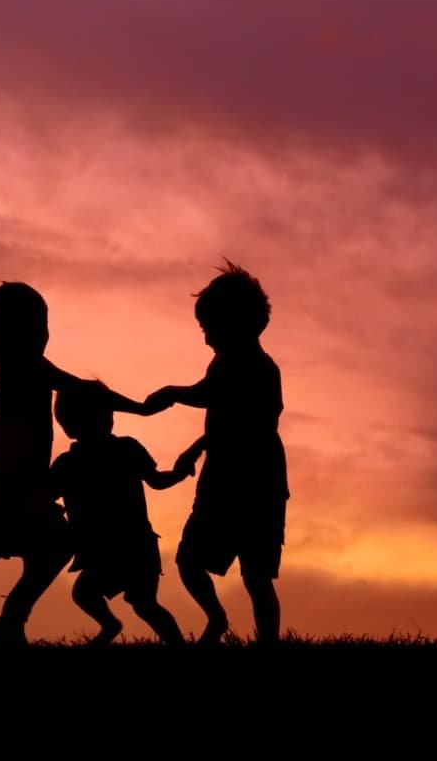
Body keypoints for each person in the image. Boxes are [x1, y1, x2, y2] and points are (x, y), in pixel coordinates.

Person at [0, 282, 156, 645]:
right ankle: (12, 620)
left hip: (18, 482)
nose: (46, 333)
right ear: (28, 330)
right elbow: (82, 389)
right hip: (20, 484)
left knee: (45, 554)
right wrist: (140, 408)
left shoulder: (15, 368)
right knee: (55, 549)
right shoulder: (28, 365)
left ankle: (12, 620)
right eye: (42, 325)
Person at [146, 262, 290, 646]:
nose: (207, 337)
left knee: (257, 575)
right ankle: (217, 617)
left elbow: (216, 401)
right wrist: (194, 450)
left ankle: (269, 642)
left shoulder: (258, 369)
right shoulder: (224, 364)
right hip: (221, 479)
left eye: (210, 328)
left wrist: (174, 393)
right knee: (189, 560)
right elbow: (222, 419)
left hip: (257, 484)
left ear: (237, 325)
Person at [50, 384, 188, 645]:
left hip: (134, 544)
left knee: (142, 604)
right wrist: (179, 473)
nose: (109, 420)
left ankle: (173, 643)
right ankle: (113, 626)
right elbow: (158, 481)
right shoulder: (69, 463)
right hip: (107, 547)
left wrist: (180, 471)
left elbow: (156, 481)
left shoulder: (120, 450)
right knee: (92, 595)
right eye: (105, 414)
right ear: (70, 425)